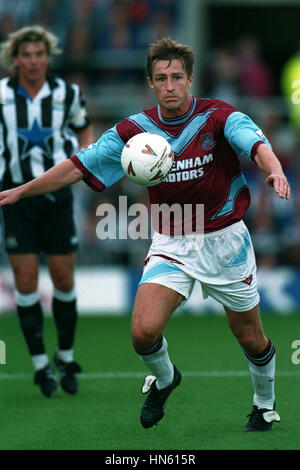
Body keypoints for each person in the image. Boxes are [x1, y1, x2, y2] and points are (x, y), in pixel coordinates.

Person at [0, 38, 290, 431]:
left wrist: (274, 169)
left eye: (176, 77)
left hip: (226, 242)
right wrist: (22, 189)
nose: (169, 85)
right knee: (143, 333)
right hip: (172, 242)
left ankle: (264, 403)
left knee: (250, 337)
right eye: (160, 79)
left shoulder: (219, 116)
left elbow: (255, 143)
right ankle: (167, 377)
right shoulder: (134, 131)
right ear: (150, 84)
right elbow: (76, 165)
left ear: (190, 79)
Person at [0, 26, 94, 397]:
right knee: (25, 283)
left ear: (47, 57)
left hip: (58, 196)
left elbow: (85, 129)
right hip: (15, 198)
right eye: (27, 54)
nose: (34, 61)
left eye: (40, 54)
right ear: (16, 58)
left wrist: (86, 159)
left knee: (64, 281)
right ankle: (41, 364)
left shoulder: (66, 93)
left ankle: (66, 356)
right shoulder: (2, 94)